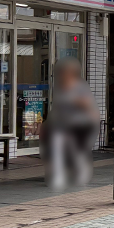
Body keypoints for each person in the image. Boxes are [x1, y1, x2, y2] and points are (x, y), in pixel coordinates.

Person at [45, 57, 100, 190]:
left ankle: (82, 171)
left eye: (64, 71)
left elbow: (88, 105)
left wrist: (75, 101)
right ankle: (58, 176)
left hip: (80, 124)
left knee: (75, 150)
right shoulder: (58, 87)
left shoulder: (80, 86)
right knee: (57, 146)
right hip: (63, 125)